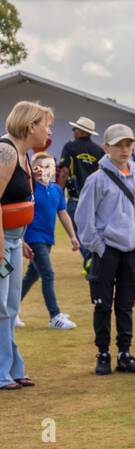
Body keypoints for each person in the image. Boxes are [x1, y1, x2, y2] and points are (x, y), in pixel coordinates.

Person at [74, 123, 135, 376]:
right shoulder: (96, 180)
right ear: (106, 147)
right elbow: (84, 217)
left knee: (126, 304)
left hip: (130, 250)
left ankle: (124, 353)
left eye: (128, 144)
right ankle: (103, 353)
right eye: (118, 144)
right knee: (102, 304)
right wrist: (97, 247)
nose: (124, 149)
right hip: (105, 250)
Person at [0, 101, 53, 390]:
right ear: (31, 125)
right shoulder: (6, 151)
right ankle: (4, 371)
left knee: (9, 306)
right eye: (46, 124)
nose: (48, 130)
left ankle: (12, 368)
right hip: (2, 241)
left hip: (12, 240)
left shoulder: (21, 153)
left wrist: (18, 241)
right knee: (2, 307)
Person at [21, 151, 79, 330]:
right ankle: (55, 316)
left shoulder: (56, 190)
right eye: (42, 166)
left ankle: (10, 309)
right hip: (33, 239)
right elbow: (21, 215)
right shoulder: (29, 188)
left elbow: (62, 213)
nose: (47, 170)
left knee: (32, 275)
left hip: (48, 239)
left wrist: (72, 236)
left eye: (50, 166)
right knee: (48, 274)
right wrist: (21, 240)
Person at [57, 115, 104, 274]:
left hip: (76, 197)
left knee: (76, 231)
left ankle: (90, 256)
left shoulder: (70, 147)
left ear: (81, 131)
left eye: (75, 128)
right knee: (92, 230)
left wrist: (58, 192)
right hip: (95, 198)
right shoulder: (99, 150)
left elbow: (64, 171)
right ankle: (90, 266)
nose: (73, 131)